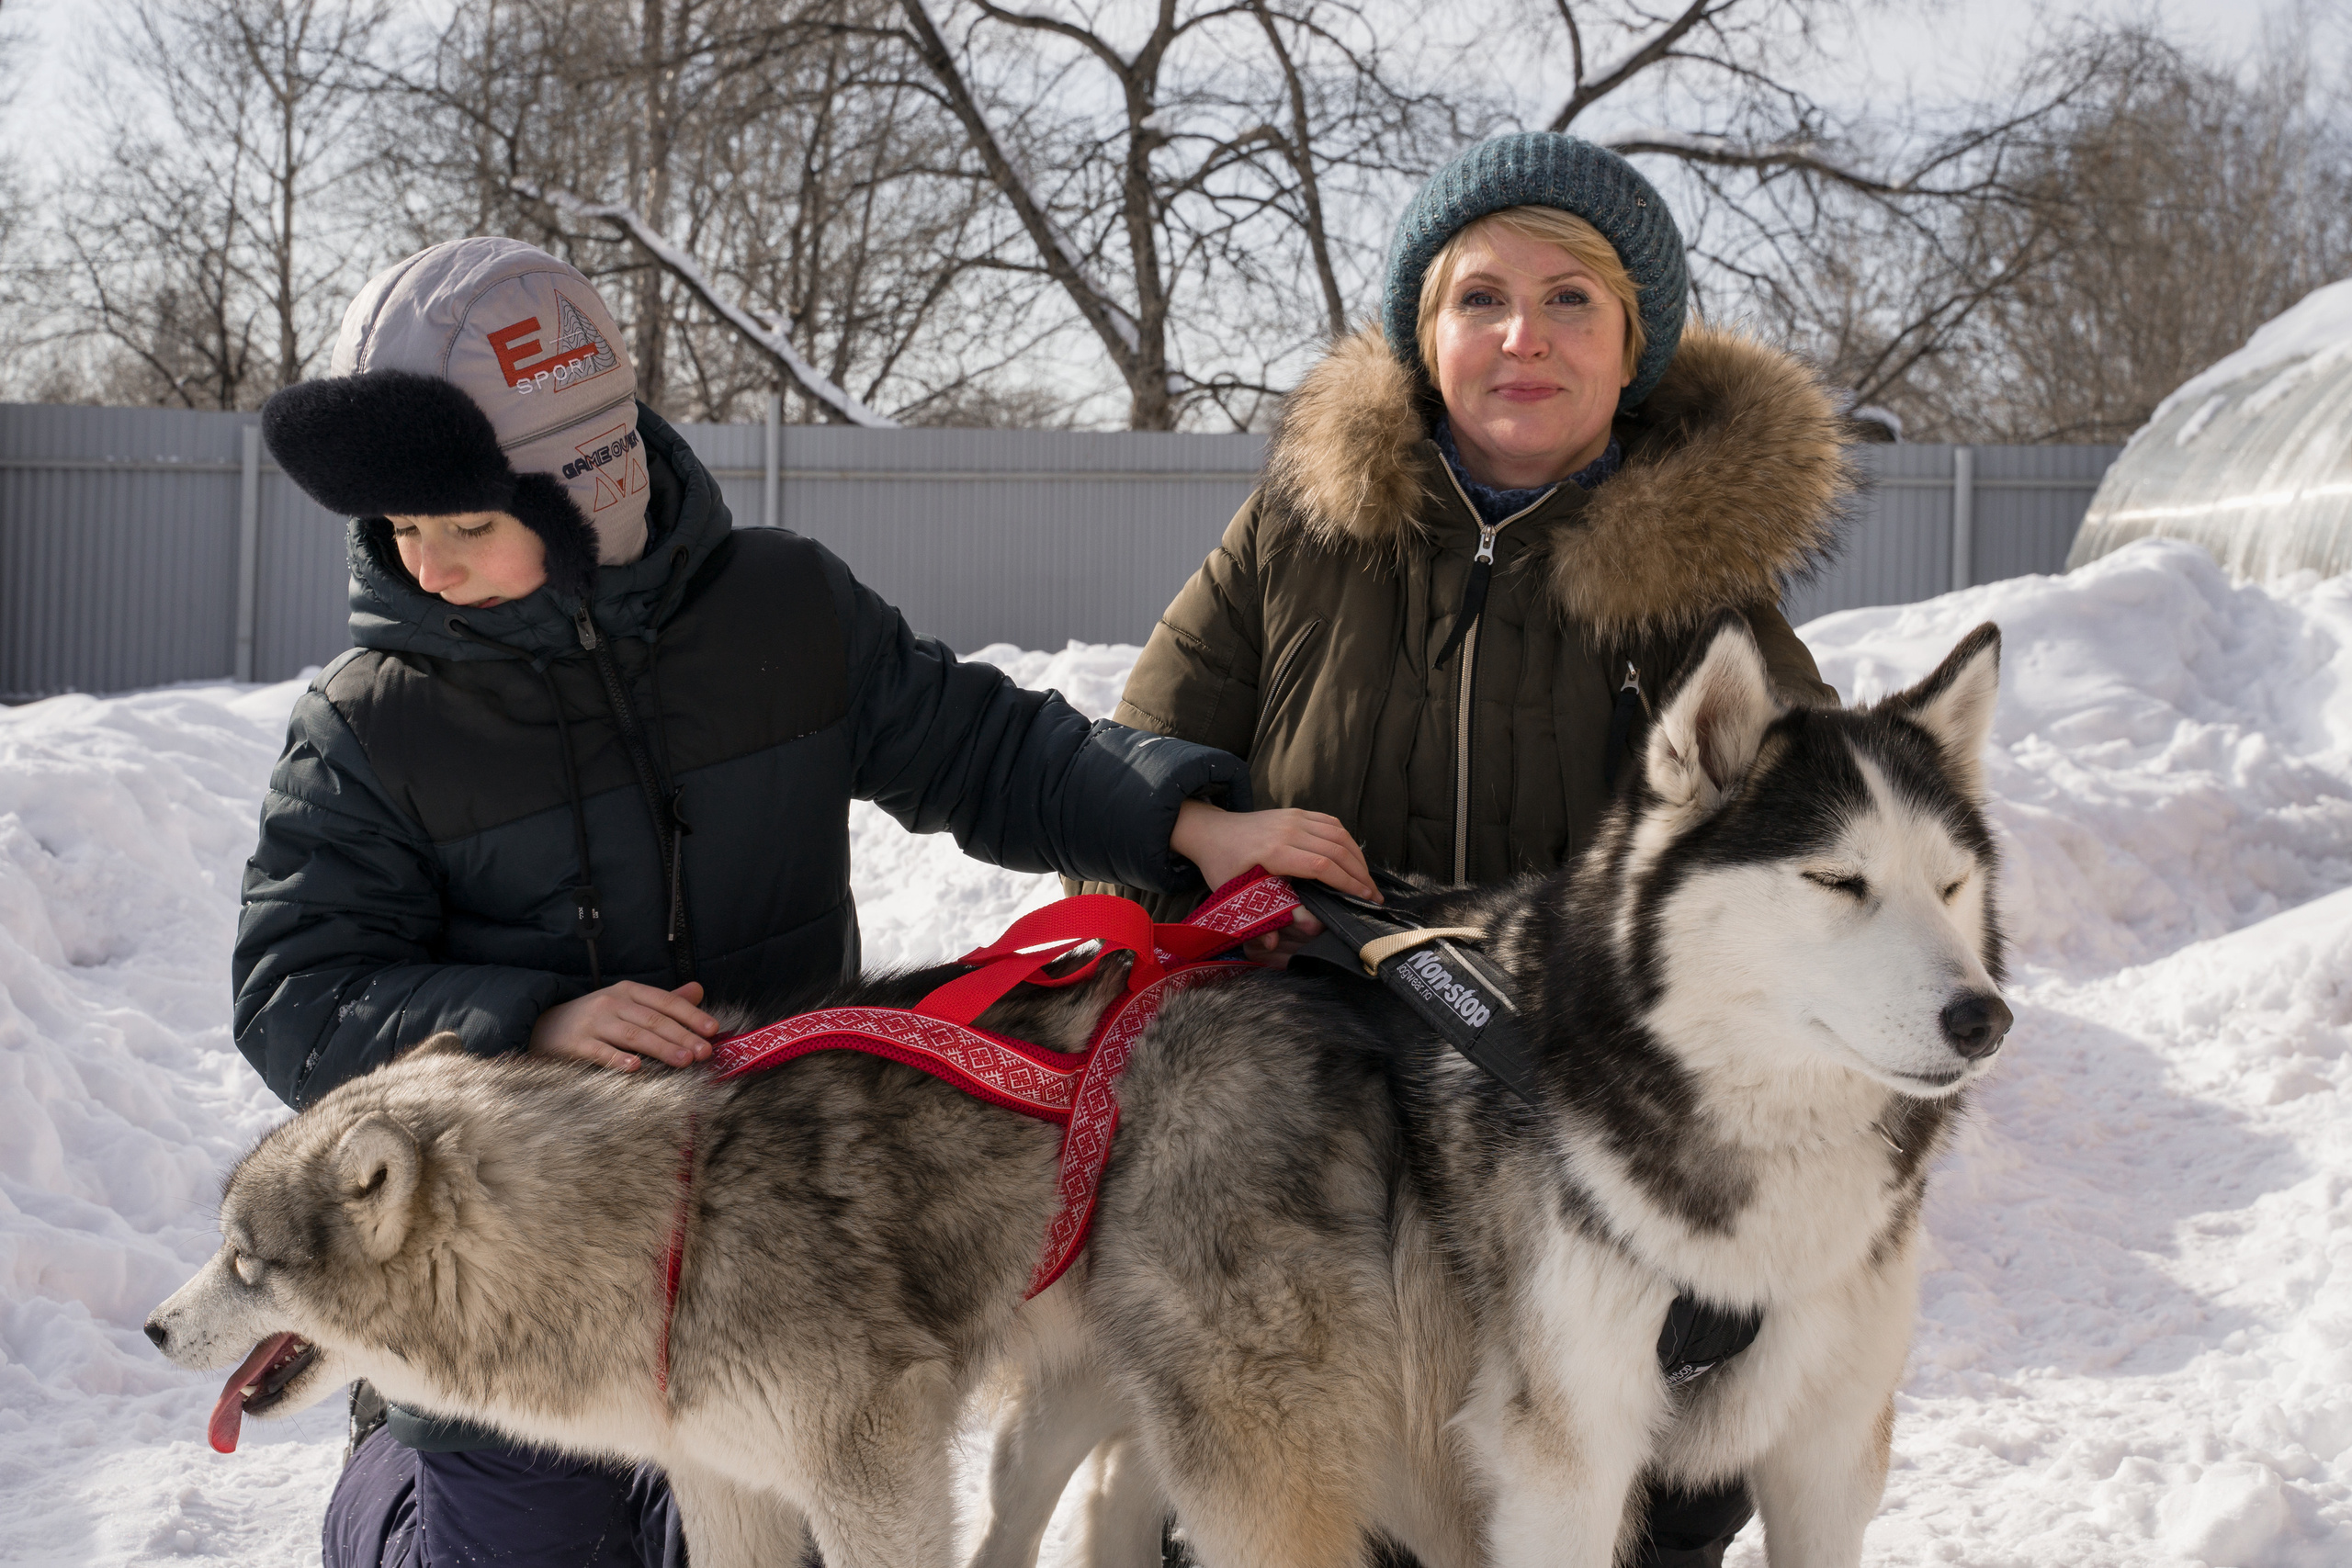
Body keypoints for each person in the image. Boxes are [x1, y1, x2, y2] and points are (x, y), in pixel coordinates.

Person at [236, 236, 1374, 1568]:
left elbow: (982, 744)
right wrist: (531, 1022)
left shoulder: (780, 609)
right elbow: (295, 993)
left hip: (770, 1231)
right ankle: (388, 1478)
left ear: (587, 490)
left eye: (464, 526)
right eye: (398, 529)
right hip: (522, 1272)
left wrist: (1190, 821)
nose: (420, 566)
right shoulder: (370, 727)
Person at [1070, 133, 1849, 1565]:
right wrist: (1206, 825)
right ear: (1426, 338)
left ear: (1634, 350)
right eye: (1479, 297)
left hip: (1568, 1120)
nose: (1521, 337)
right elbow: (1110, 781)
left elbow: (1825, 892)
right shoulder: (1300, 533)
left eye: (1571, 302)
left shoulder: (1708, 597)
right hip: (1303, 1094)